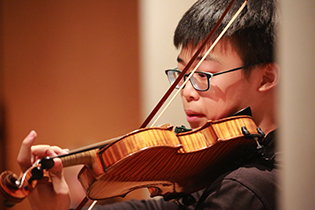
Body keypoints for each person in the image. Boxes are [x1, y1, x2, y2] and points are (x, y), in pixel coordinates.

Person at [17, 0, 279, 209]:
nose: (186, 91)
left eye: (203, 75)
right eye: (183, 74)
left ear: (266, 77)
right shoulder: (225, 166)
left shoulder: (245, 188)